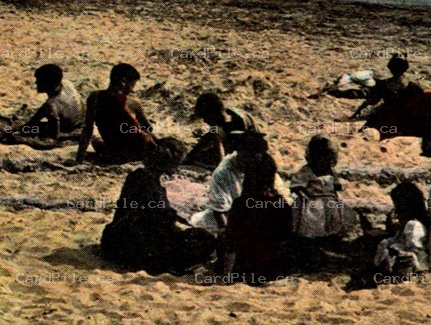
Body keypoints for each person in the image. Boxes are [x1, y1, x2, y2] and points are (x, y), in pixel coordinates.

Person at [100, 138, 215, 274]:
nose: (177, 168)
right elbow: (162, 218)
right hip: (136, 246)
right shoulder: (150, 183)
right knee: (204, 240)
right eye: (176, 164)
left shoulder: (138, 175)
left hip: (116, 237)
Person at [219, 142, 292, 286]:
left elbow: (231, 242)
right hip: (274, 269)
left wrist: (227, 275)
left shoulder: (241, 204)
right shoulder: (281, 204)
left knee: (222, 234)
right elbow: (286, 237)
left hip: (245, 269)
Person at [78, 63, 153, 163]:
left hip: (112, 152)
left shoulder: (94, 98)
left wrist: (79, 157)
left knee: (96, 141)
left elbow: (87, 130)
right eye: (132, 85)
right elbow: (148, 128)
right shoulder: (132, 103)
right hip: (135, 154)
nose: (132, 90)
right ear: (123, 82)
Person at [290, 135, 356, 244]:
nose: (322, 161)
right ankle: (312, 238)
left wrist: (338, 187)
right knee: (314, 219)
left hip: (329, 200)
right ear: (313, 157)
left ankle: (329, 236)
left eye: (326, 158)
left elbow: (336, 184)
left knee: (333, 217)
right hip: (312, 200)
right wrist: (303, 197)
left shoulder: (331, 171)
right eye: (319, 157)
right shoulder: (306, 171)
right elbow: (296, 186)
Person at [17, 64, 84, 140]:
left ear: (48, 83)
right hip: (79, 120)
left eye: (39, 80)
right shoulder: (67, 84)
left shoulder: (52, 105)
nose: (36, 83)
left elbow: (56, 136)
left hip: (69, 127)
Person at [189, 93, 258, 166]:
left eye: (205, 117)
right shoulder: (229, 115)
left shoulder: (239, 123)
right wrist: (191, 155)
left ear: (213, 113)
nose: (205, 121)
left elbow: (222, 163)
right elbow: (206, 139)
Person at [353, 54, 412, 119]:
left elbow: (373, 100)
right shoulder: (408, 81)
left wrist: (358, 111)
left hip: (390, 112)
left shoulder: (386, 84)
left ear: (391, 68)